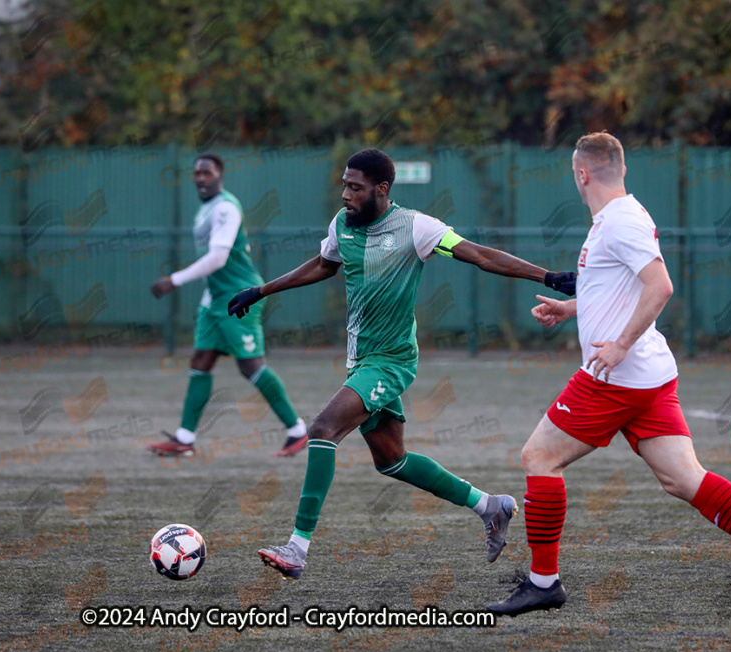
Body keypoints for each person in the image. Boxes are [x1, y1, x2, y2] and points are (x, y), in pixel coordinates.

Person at [487, 132, 731, 620]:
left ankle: (543, 583)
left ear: (581, 173)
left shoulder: (618, 222)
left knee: (539, 457)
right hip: (648, 378)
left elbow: (660, 287)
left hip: (614, 378)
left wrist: (619, 344)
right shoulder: (616, 219)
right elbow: (618, 288)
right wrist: (570, 308)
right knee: (684, 480)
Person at [226, 148, 577, 578]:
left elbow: (481, 255)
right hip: (361, 361)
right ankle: (491, 506)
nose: (345, 195)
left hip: (391, 361)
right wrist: (261, 291)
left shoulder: (417, 228)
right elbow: (323, 264)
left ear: (382, 188)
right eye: (343, 185)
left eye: (355, 187)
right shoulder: (342, 225)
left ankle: (297, 549)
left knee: (322, 431)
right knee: (391, 459)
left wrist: (547, 277)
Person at [146, 154, 309, 458]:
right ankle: (184, 438)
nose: (199, 177)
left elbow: (219, 259)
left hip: (239, 296)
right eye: (196, 172)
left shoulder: (225, 207)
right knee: (201, 361)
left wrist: (174, 280)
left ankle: (298, 431)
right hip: (215, 300)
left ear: (220, 174)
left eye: (206, 171)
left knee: (251, 366)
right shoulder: (206, 208)